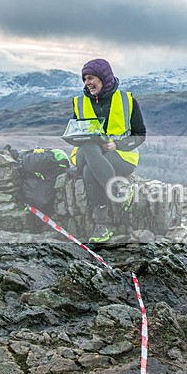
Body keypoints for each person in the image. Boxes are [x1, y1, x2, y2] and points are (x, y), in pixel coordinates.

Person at [70, 58, 146, 242]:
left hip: (119, 157)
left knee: (90, 172)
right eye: (84, 79)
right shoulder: (79, 102)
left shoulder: (127, 100)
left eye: (90, 78)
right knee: (89, 145)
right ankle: (117, 192)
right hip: (85, 154)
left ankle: (102, 225)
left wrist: (117, 145)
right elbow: (75, 132)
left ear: (103, 78)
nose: (87, 83)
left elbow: (140, 135)